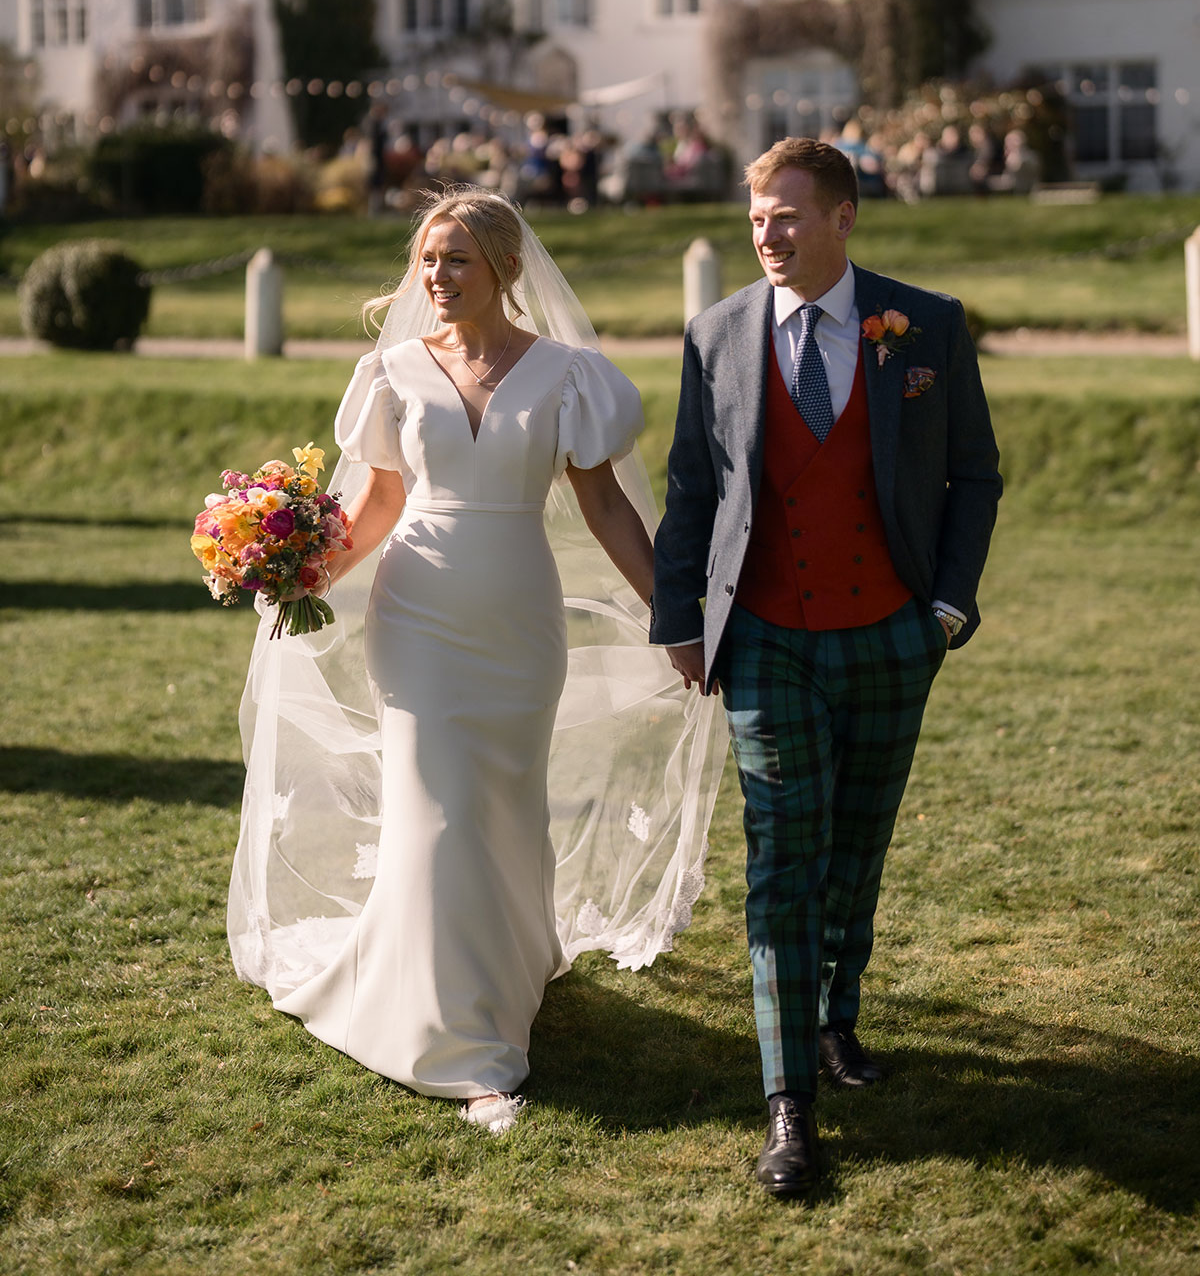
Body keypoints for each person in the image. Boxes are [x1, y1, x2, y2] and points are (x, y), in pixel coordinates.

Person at [227, 187, 725, 1136]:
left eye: (455, 259)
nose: (435, 277)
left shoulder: (569, 376)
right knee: (438, 809)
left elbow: (608, 508)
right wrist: (301, 574)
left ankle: (509, 964)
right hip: (417, 618)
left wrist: (676, 614)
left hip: (516, 621)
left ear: (504, 267)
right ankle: (461, 1049)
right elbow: (374, 507)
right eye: (426, 260)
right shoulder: (391, 371)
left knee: (502, 801)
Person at [650, 137, 1001, 1197]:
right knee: (782, 864)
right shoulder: (715, 336)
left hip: (894, 635)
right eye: (758, 217)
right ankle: (788, 1102)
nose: (769, 234)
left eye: (789, 216)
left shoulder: (923, 323)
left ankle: (837, 1021)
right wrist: (680, 619)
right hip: (763, 639)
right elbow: (692, 490)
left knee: (857, 848)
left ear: (845, 217)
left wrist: (942, 607)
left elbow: (975, 472)